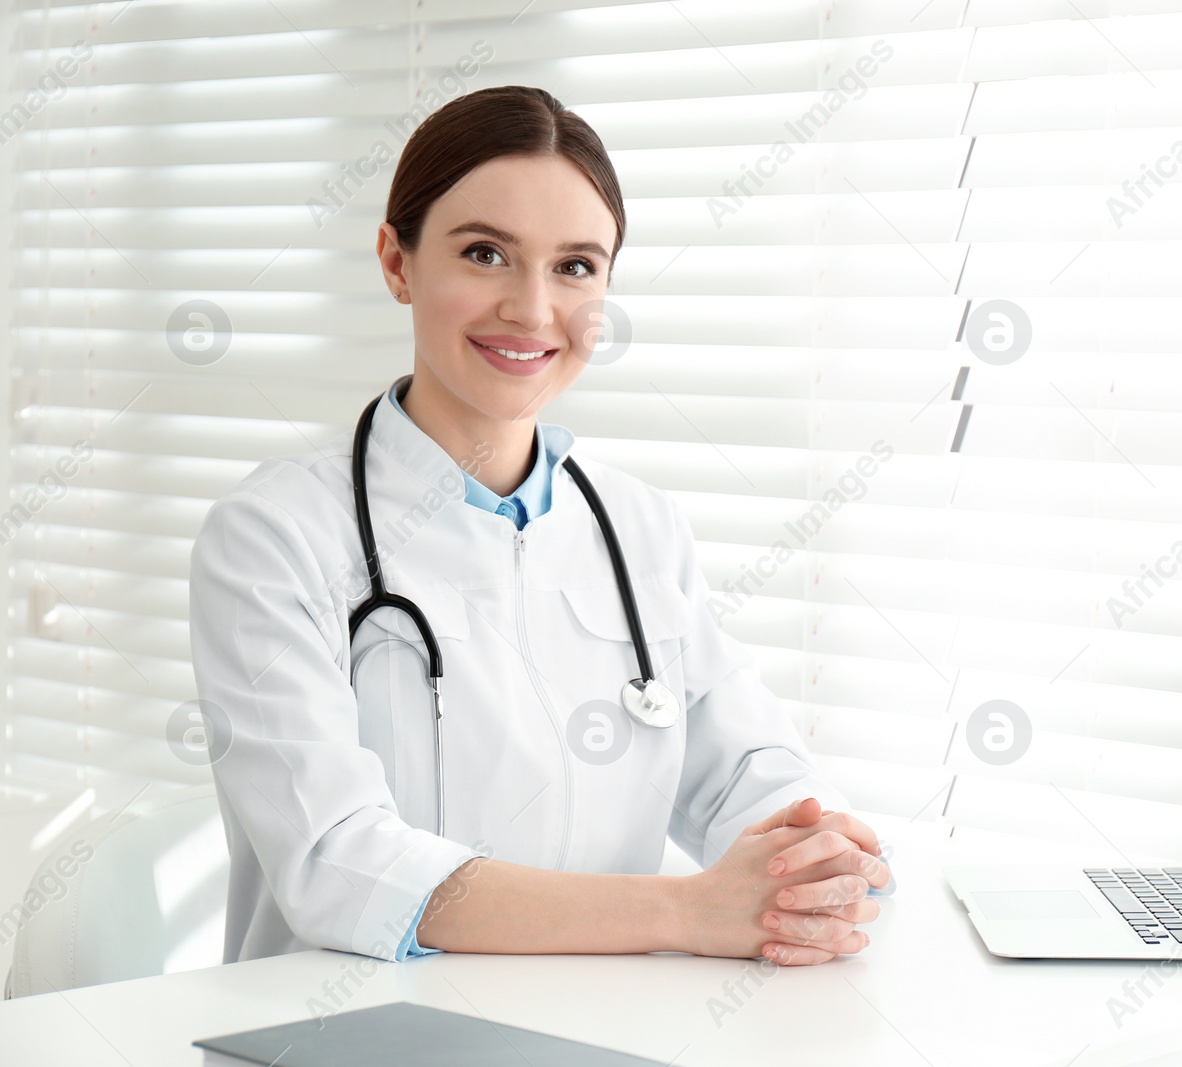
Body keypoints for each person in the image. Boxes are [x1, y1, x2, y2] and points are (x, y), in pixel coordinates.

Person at [187, 85, 890, 971]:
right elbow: (340, 862)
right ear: (396, 263)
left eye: (575, 266)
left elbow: (750, 772)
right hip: (353, 1035)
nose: (531, 308)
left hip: (602, 1029)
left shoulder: (639, 528)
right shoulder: (273, 537)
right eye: (486, 253)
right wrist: (689, 910)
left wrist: (818, 859)